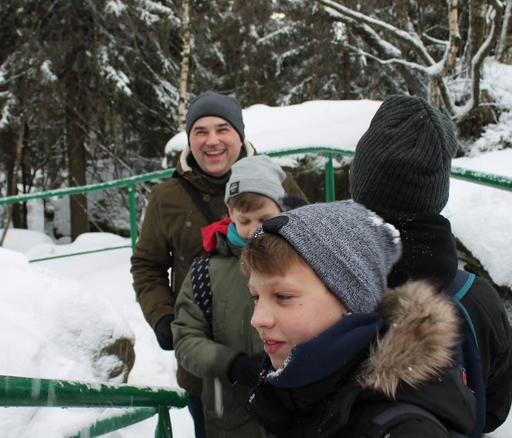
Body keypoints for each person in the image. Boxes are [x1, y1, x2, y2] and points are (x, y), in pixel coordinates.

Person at [130, 91, 306, 437]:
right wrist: (164, 317)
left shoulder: (278, 181)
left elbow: (312, 251)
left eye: (223, 129)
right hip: (208, 370)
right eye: (201, 131)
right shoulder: (167, 197)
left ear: (239, 135)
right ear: (189, 139)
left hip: (286, 361)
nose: (212, 141)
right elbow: (147, 265)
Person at [349, 94, 512, 433]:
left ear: (360, 182)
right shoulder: (478, 300)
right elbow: (493, 411)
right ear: (438, 191)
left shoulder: (331, 285)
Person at [240, 201, 477, 437]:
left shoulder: (404, 430)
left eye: (283, 296)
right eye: (255, 297)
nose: (257, 318)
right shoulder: (300, 390)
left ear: (349, 299)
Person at [172, 155, 305, 438]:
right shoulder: (205, 271)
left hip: (295, 410)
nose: (254, 229)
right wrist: (230, 364)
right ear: (229, 211)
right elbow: (185, 337)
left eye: (265, 219)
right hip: (230, 417)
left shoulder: (302, 262)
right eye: (244, 220)